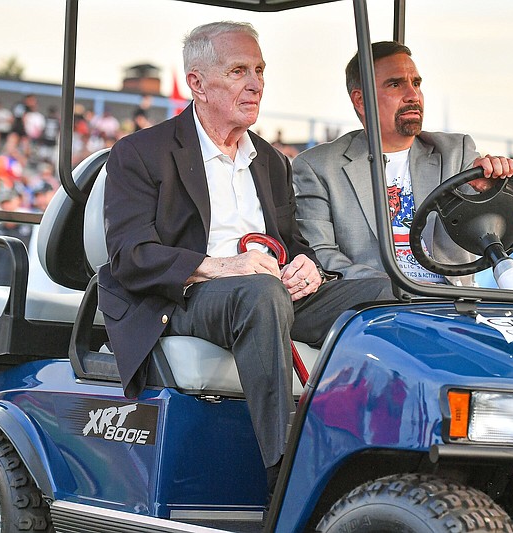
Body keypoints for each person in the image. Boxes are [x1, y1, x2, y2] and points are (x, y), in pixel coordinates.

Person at [98, 21, 393, 497]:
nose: (255, 83)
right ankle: (286, 477)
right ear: (196, 83)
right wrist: (218, 266)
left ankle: (382, 452)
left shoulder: (272, 162)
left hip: (264, 291)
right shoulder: (140, 153)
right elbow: (130, 257)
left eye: (259, 70)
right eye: (238, 71)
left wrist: (307, 267)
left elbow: (291, 243)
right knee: (260, 293)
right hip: (184, 296)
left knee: (384, 292)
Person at [292, 41, 513, 285]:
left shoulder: (455, 152)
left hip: (450, 304)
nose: (413, 96)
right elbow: (321, 254)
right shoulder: (319, 167)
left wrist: (495, 187)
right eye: (396, 84)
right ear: (361, 100)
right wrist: (396, 287)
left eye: (416, 84)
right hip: (375, 308)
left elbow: (494, 227)